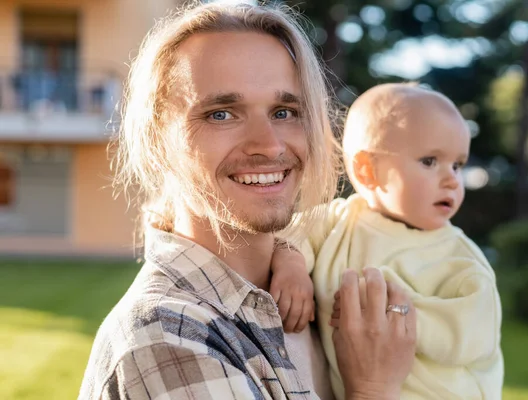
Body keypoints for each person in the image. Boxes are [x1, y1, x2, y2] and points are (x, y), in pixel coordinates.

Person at [78, 3, 417, 400]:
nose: (269, 145)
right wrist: (374, 388)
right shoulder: (169, 337)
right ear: (156, 139)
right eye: (222, 114)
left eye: (285, 111)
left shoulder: (314, 275)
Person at [271, 83, 504, 400]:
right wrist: (292, 268)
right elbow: (292, 235)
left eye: (457, 164)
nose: (452, 179)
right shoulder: (341, 220)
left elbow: (476, 335)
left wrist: (388, 315)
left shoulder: (459, 257)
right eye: (429, 161)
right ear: (368, 171)